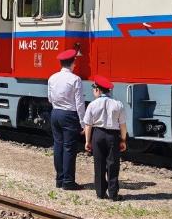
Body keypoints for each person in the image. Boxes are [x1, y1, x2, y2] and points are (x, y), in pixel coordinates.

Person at [83, 75, 127, 201]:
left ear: (98, 90)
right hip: (113, 136)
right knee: (113, 165)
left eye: (93, 89)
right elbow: (123, 125)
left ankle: (100, 193)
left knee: (99, 164)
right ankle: (113, 194)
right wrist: (123, 140)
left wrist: (87, 141)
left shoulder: (92, 104)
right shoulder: (118, 104)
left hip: (98, 135)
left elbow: (88, 124)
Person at [47, 49, 86, 190]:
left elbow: (50, 98)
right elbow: (79, 103)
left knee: (58, 145)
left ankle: (59, 179)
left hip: (55, 113)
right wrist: (83, 123)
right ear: (73, 63)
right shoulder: (75, 79)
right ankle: (68, 182)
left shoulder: (52, 78)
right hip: (69, 115)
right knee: (69, 148)